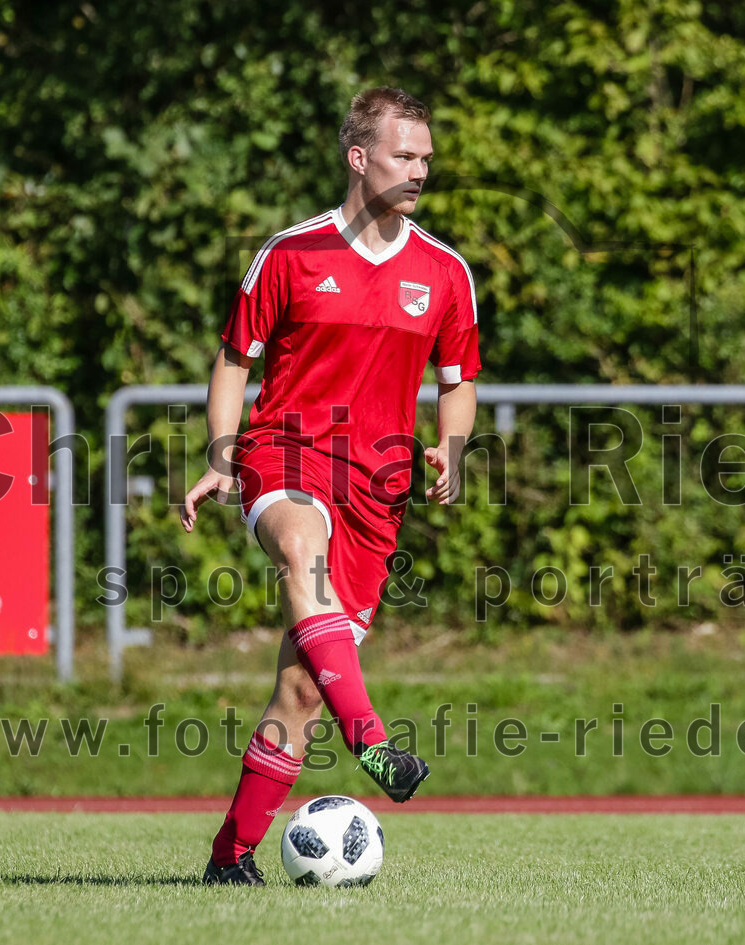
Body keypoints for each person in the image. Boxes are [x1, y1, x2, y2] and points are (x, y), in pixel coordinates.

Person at [180, 87, 480, 886]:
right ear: (358, 157)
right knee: (299, 548)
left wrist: (452, 442)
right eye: (403, 155)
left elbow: (458, 381)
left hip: (378, 490)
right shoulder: (292, 252)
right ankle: (373, 738)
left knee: (303, 688)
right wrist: (220, 454)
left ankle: (230, 855)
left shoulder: (445, 271)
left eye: (425, 158)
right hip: (285, 453)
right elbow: (234, 359)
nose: (419, 171)